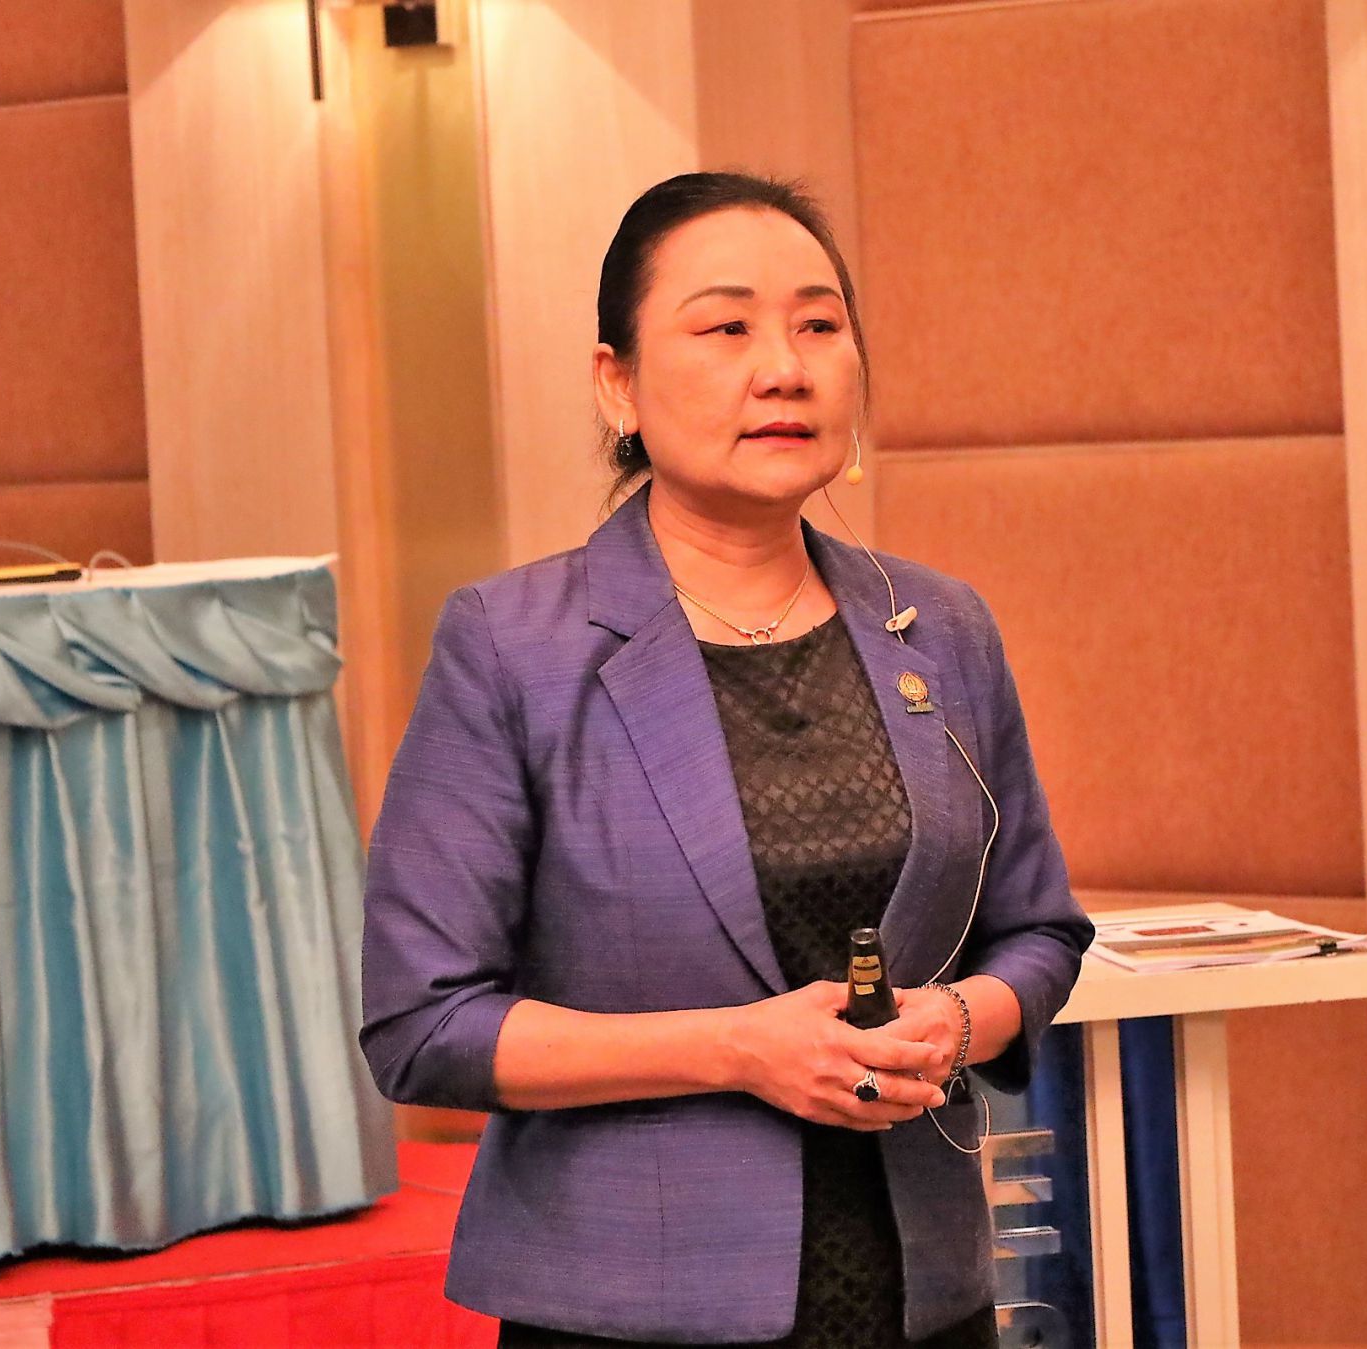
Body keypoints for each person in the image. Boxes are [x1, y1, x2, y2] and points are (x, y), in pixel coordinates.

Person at [358, 171, 1093, 1348]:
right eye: (725, 329)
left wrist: (957, 1021)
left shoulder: (940, 625)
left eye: (818, 325)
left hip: (922, 1296)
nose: (784, 368)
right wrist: (740, 1047)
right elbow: (422, 1021)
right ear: (617, 383)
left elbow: (1039, 931)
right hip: (630, 1313)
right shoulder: (513, 645)